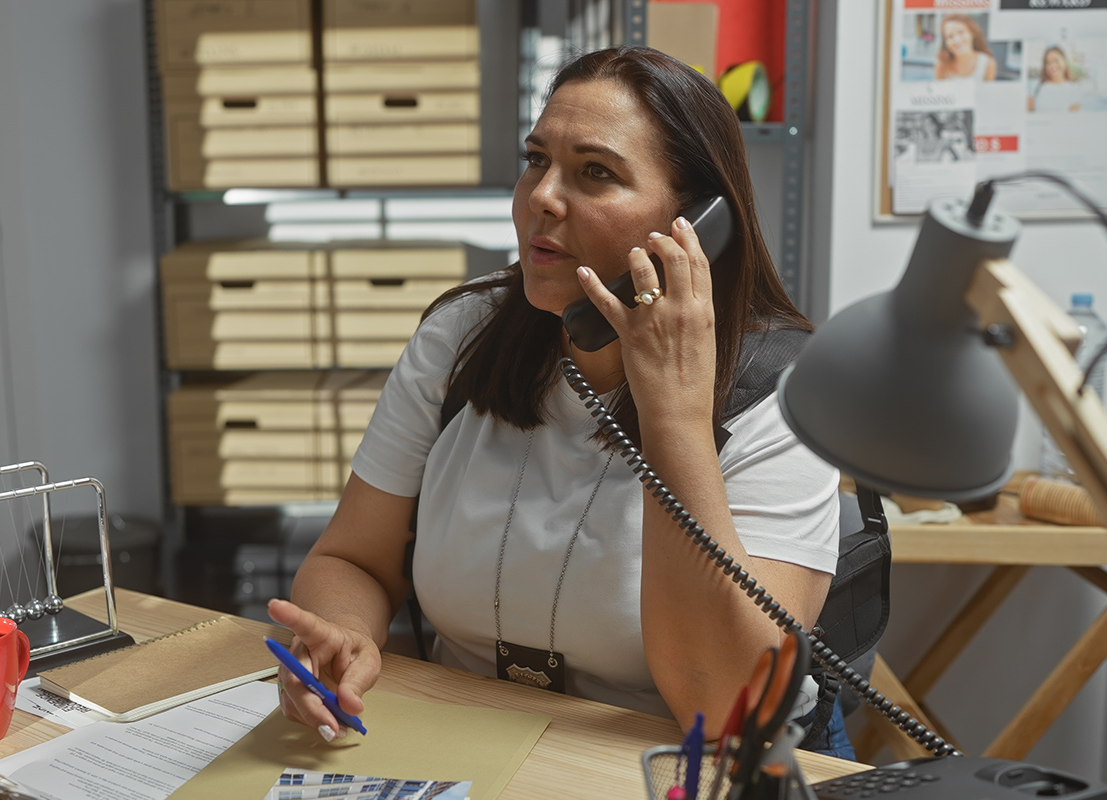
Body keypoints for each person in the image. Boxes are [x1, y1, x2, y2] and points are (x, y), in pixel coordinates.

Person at [267, 46, 846, 756]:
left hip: (678, 765)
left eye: (595, 173)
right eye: (537, 159)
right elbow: (353, 558)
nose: (541, 196)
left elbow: (728, 708)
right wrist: (344, 634)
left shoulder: (782, 392)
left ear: (696, 221)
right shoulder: (463, 335)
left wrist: (674, 412)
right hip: (471, 740)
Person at [934, 14, 997, 81]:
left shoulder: (987, 64)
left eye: (961, 32)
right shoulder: (942, 65)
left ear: (972, 33)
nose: (956, 40)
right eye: (950, 36)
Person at [1029, 46, 1080, 112]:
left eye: (1056, 60)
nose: (1052, 66)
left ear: (1064, 61)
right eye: (1048, 62)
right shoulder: (1037, 87)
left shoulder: (1074, 90)